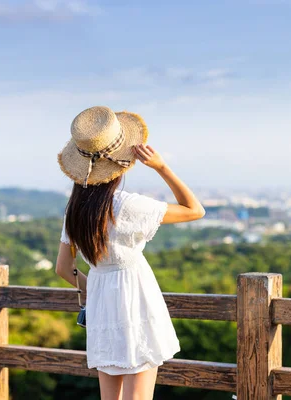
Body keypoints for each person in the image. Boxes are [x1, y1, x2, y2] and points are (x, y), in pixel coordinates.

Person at [55, 106, 205, 400]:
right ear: (120, 165)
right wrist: (162, 167)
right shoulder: (127, 206)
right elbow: (194, 210)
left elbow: (63, 268)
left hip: (101, 304)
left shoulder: (74, 211)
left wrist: (93, 290)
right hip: (135, 298)